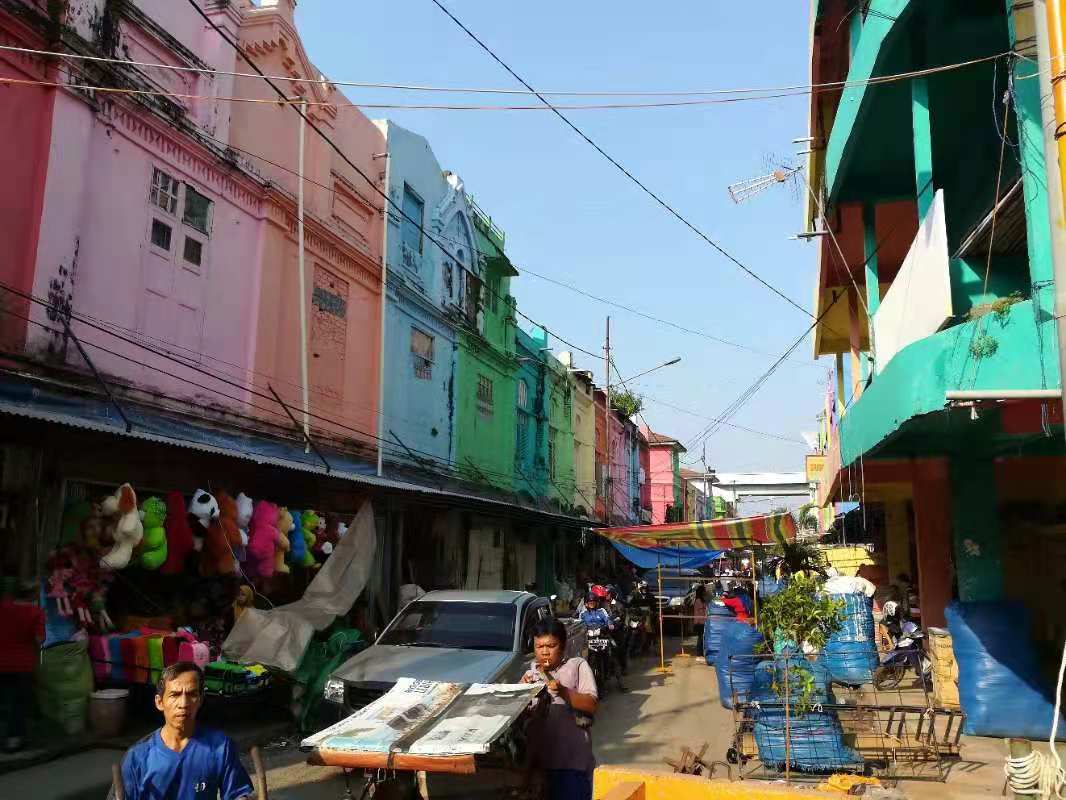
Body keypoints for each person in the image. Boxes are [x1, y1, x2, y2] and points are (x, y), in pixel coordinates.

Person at [118, 662, 254, 800]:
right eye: (175, 695)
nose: (183, 704)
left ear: (200, 700)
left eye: (191, 694)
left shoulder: (219, 747)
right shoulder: (137, 756)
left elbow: (237, 793)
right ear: (159, 702)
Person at [521, 618, 598, 800]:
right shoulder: (530, 674)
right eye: (540, 647)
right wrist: (521, 692)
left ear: (562, 646)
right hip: (539, 765)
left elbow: (592, 704)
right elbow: (522, 718)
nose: (545, 652)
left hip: (572, 764)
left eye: (551, 646)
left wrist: (563, 691)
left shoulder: (577, 666)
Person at [0, 581, 44, 752]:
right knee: (17, 703)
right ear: (33, 595)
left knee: (4, 700)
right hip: (22, 664)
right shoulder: (35, 612)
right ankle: (13, 739)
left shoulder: (3, 608)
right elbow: (39, 639)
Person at [691, 584, 708, 654]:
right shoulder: (698, 600)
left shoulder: (701, 600)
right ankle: (699, 652)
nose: (705, 592)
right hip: (700, 622)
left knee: (701, 637)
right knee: (701, 638)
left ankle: (700, 651)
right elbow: (702, 610)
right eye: (704, 591)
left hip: (702, 621)